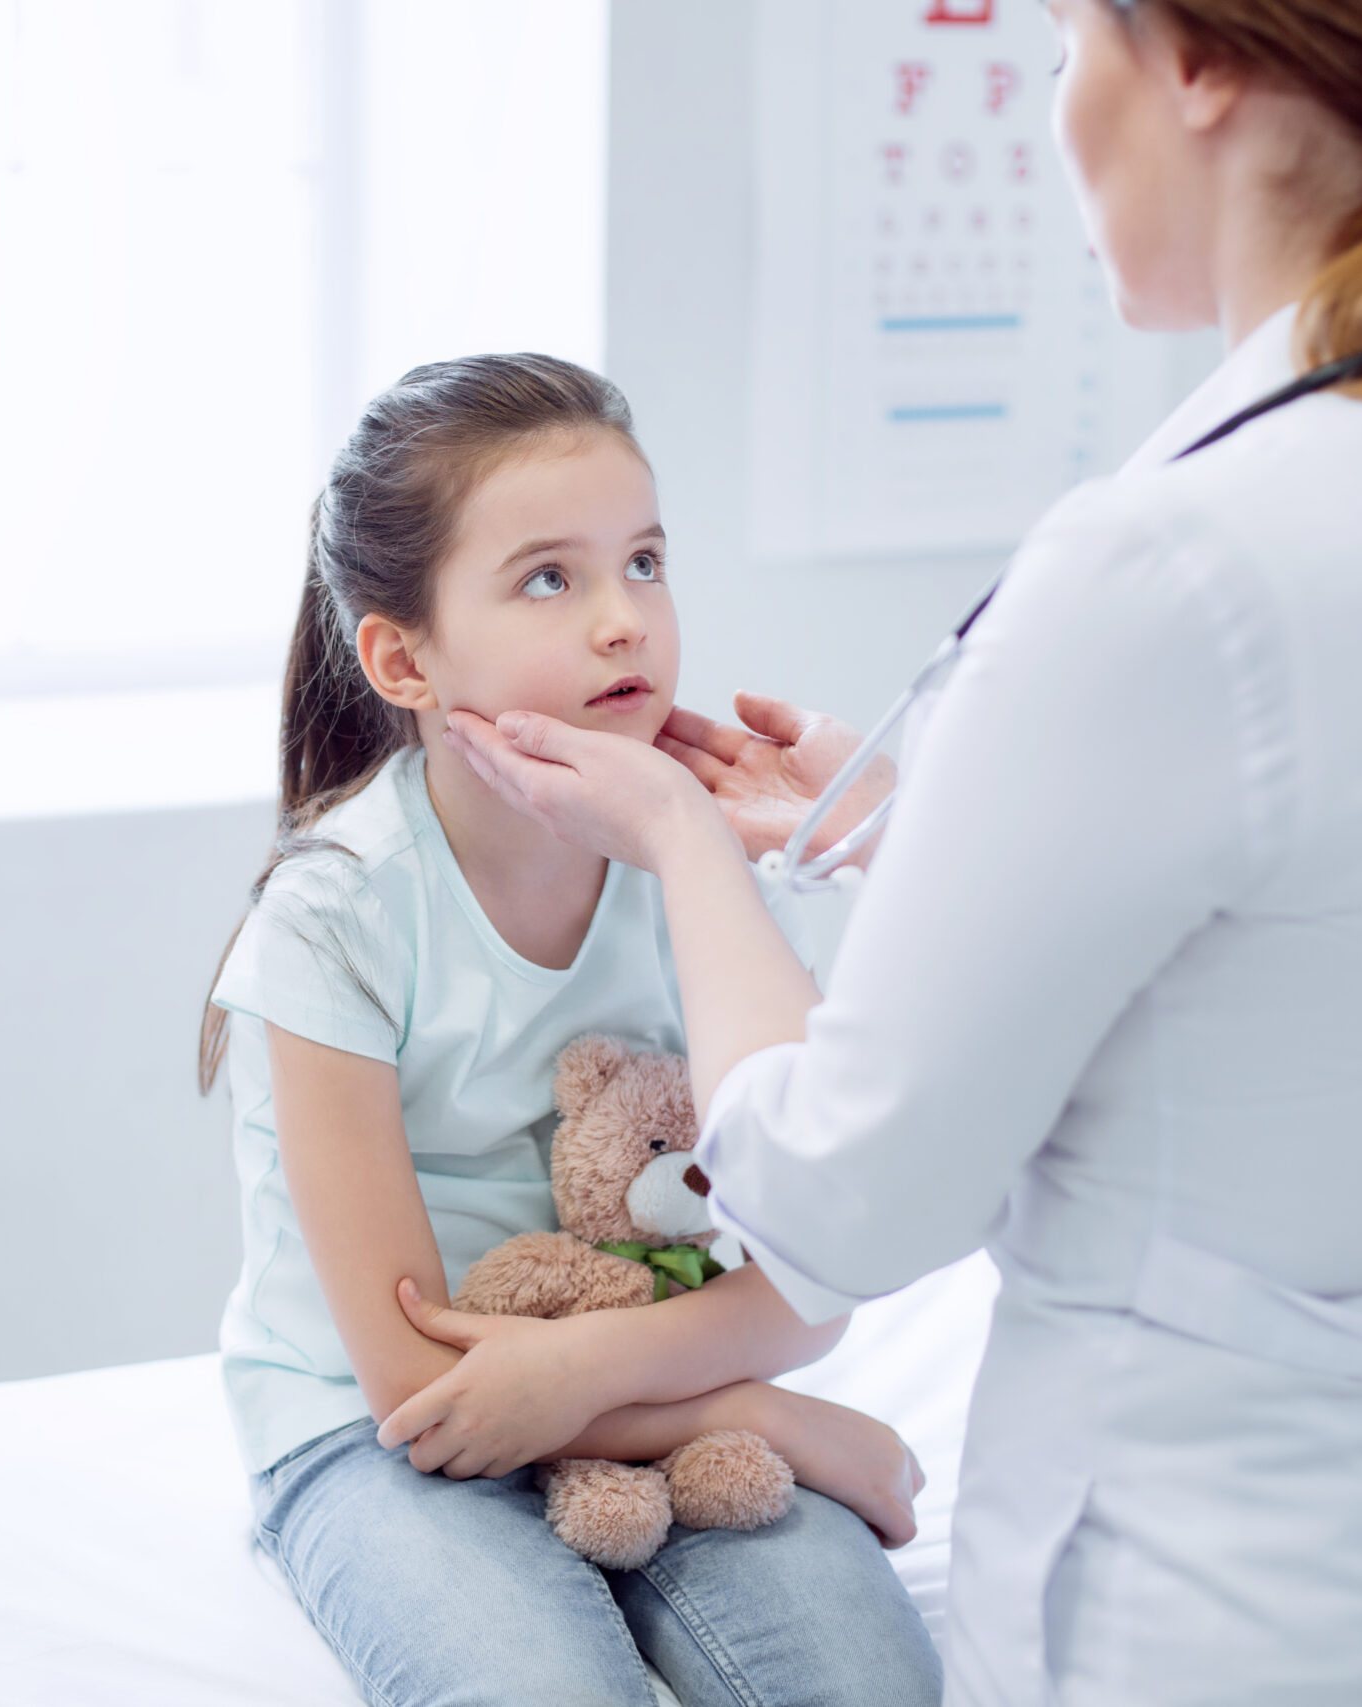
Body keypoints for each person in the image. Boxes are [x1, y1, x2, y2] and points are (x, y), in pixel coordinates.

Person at [411, 2, 1362, 1703]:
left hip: (1253, 1610)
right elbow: (1353, 972)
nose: (1057, 110)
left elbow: (834, 1198)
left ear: (1190, 61)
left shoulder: (1178, 563)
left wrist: (686, 851)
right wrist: (930, 837)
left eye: (1064, 44)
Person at [198, 353, 944, 1707]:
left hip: (624, 1378)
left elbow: (813, 1257)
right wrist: (747, 1407)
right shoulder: (333, 921)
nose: (625, 622)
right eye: (552, 577)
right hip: (376, 1429)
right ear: (403, 657)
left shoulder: (695, 865)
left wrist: (637, 1376)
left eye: (645, 563)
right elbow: (420, 1385)